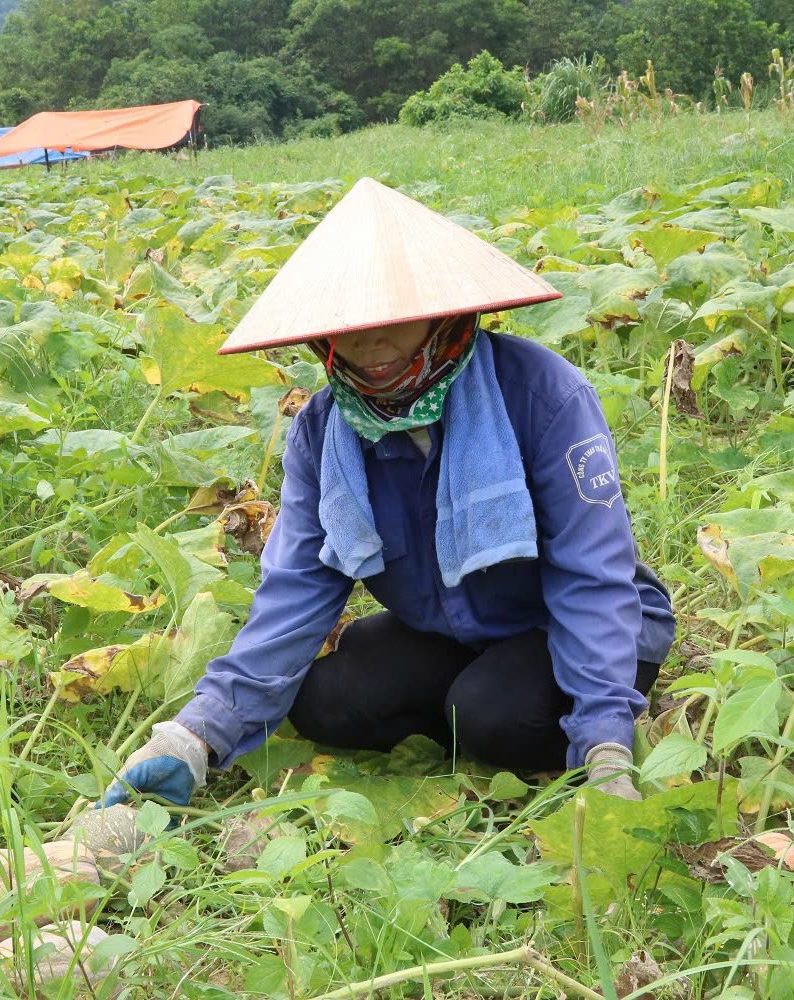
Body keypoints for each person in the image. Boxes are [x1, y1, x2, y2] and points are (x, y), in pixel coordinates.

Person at [101, 178, 675, 810]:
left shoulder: (541, 394)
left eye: (390, 320)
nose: (365, 345)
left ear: (443, 312)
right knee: (325, 701)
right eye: (344, 327)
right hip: (452, 632)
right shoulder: (325, 430)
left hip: (573, 623)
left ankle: (543, 710)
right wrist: (194, 735)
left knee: (493, 716)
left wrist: (604, 741)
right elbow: (295, 587)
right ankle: (475, 702)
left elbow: (591, 573)